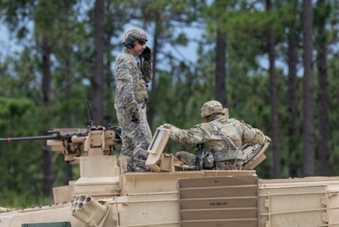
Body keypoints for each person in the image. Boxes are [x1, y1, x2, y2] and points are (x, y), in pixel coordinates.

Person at [162, 100, 268, 170]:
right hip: (237, 169)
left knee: (181, 155)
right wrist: (263, 138)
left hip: (215, 171)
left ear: (207, 117)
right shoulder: (236, 124)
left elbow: (185, 138)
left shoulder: (207, 128)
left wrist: (169, 128)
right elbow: (255, 136)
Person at [114, 27, 153, 172]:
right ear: (130, 42)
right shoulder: (124, 60)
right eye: (141, 42)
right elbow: (125, 88)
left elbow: (146, 78)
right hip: (131, 109)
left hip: (135, 108)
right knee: (144, 141)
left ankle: (125, 175)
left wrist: (147, 60)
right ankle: (139, 177)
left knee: (129, 145)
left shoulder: (132, 61)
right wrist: (133, 110)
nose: (144, 46)